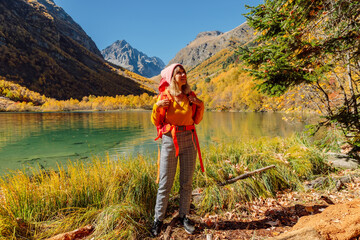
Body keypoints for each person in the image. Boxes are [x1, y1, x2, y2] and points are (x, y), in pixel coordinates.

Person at [150, 63, 204, 237]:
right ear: (171, 77)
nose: (183, 75)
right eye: (178, 73)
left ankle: (184, 216)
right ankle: (158, 219)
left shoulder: (190, 96)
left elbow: (196, 120)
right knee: (165, 183)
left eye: (184, 72)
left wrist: (200, 104)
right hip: (170, 141)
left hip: (189, 139)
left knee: (186, 182)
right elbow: (156, 122)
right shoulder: (165, 96)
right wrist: (157, 105)